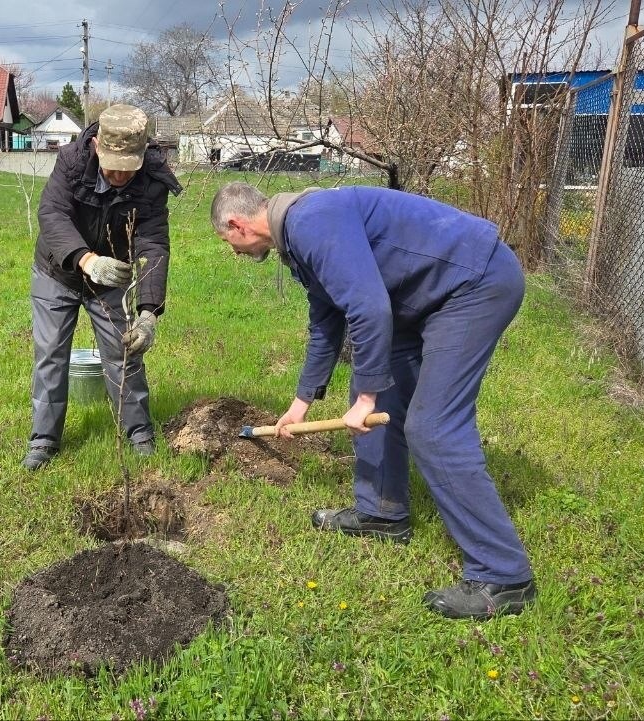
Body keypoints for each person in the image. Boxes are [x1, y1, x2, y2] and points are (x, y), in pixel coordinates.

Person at [209, 181, 536, 620]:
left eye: (226, 242)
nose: (232, 251)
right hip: (420, 297)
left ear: (237, 225)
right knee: (381, 396)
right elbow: (326, 322)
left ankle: (505, 575)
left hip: (472, 283)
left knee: (433, 428)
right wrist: (301, 403)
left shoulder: (310, 222)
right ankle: (382, 513)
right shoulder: (296, 238)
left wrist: (366, 397)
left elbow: (368, 308)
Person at [22, 104, 182, 471]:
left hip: (112, 280)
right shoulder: (71, 161)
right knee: (51, 354)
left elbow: (153, 244)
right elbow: (52, 214)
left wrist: (148, 312)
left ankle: (138, 432)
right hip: (58, 271)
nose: (120, 176)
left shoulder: (152, 180)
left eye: (129, 168)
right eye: (113, 167)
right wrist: (86, 260)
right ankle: (44, 440)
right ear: (96, 146)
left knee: (124, 352)